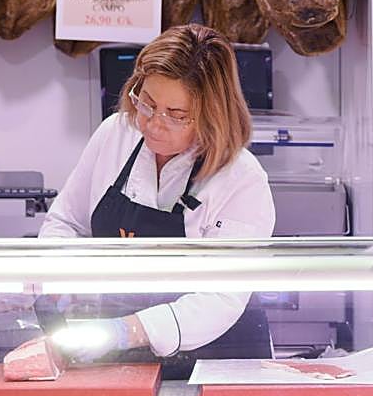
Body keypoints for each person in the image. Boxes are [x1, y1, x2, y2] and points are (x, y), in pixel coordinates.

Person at [39, 25, 276, 363]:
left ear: (212, 116)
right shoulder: (115, 134)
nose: (152, 123)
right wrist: (58, 277)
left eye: (176, 116)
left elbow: (221, 297)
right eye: (147, 104)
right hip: (119, 353)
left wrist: (128, 331)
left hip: (218, 357)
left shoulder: (242, 178)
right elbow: (66, 221)